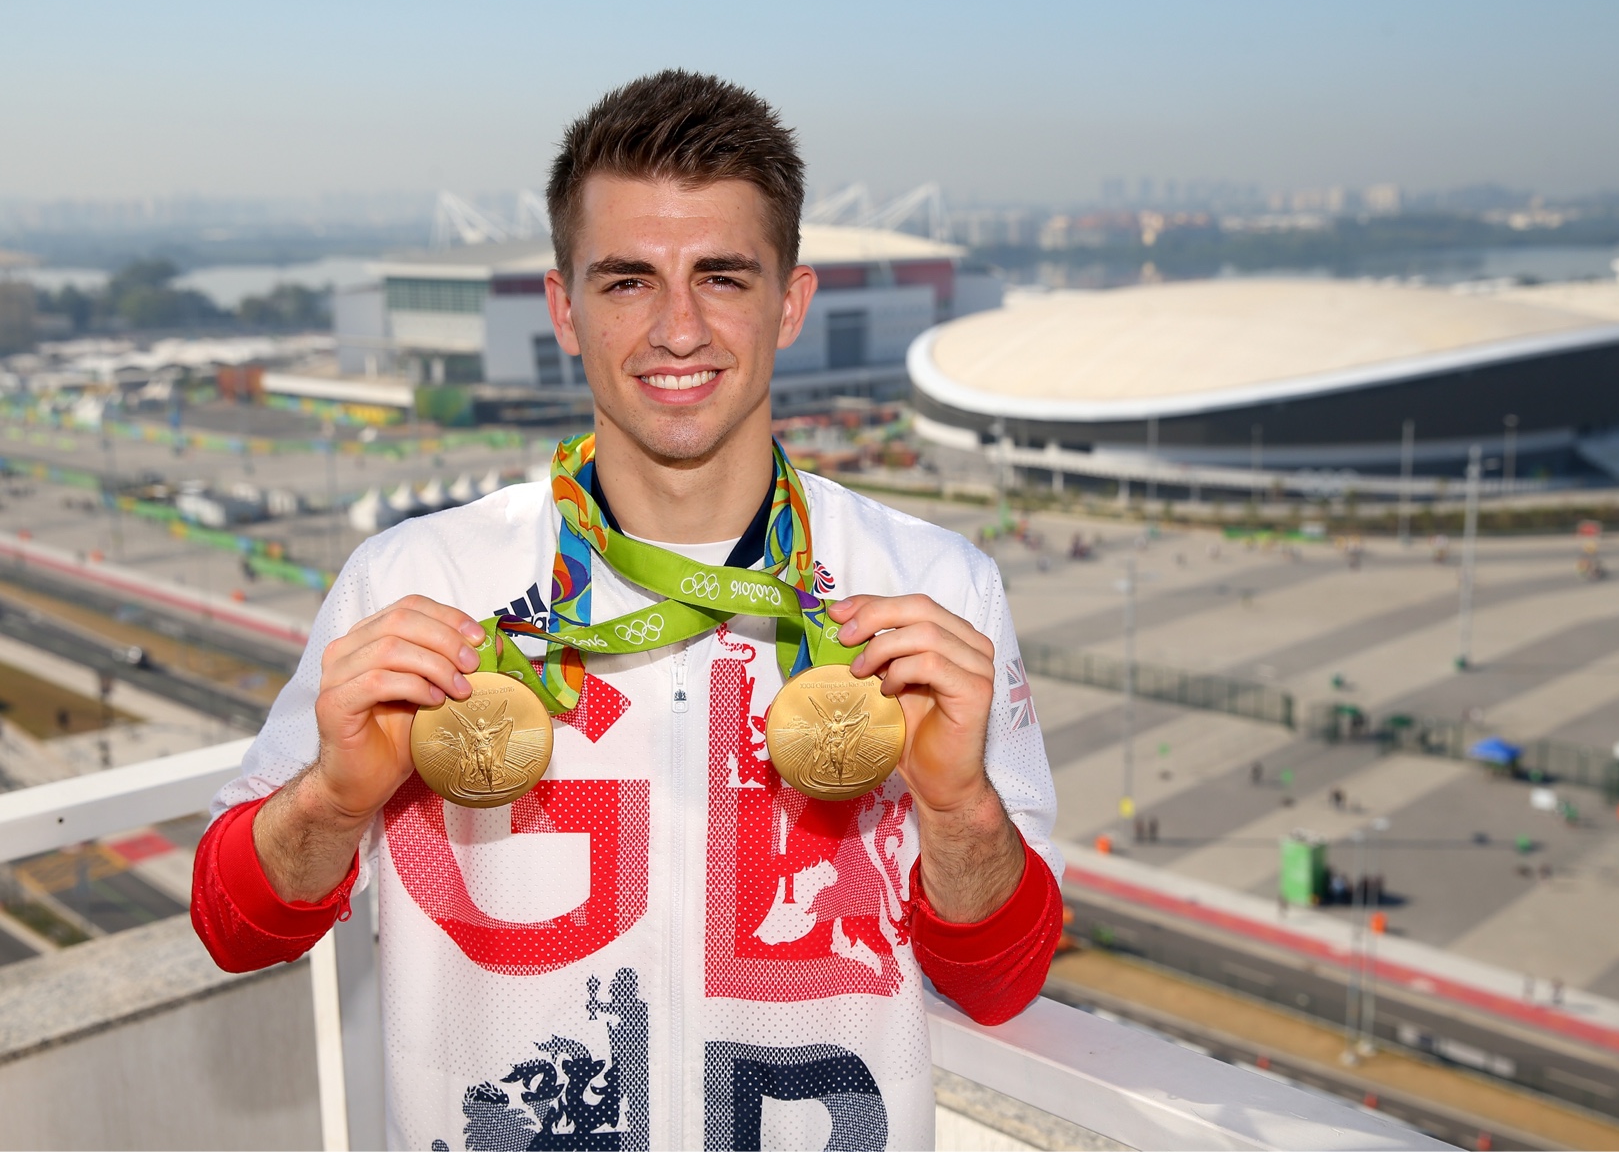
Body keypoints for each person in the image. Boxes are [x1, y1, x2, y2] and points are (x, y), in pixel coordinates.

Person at [188, 72, 1061, 1151]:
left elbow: (1000, 978)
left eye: (722, 276)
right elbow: (235, 929)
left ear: (790, 302)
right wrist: (329, 798)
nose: (678, 328)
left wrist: (958, 804)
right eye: (627, 282)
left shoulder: (935, 588)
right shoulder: (413, 579)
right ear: (564, 309)